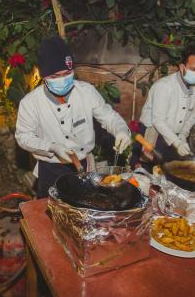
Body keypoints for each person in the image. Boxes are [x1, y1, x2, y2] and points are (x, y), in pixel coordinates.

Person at [15, 36, 132, 198]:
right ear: (44, 77)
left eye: (67, 73)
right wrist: (51, 147)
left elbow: (109, 117)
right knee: (51, 213)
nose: (63, 79)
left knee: (85, 205)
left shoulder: (86, 92)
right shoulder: (31, 103)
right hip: (50, 168)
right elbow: (23, 137)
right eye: (55, 76)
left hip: (84, 164)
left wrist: (121, 130)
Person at [131, 45, 195, 168]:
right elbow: (158, 121)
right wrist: (177, 143)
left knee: (169, 173)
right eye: (194, 69)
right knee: (144, 175)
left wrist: (182, 136)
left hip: (175, 137)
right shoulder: (164, 87)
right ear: (182, 67)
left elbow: (192, 116)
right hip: (153, 136)